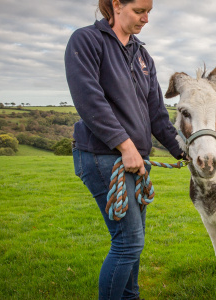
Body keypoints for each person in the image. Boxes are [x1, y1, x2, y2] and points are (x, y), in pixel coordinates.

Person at [64, 0, 184, 299]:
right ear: (117, 4)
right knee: (128, 242)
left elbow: (157, 113)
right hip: (102, 155)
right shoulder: (87, 40)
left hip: (134, 159)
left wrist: (183, 152)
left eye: (149, 12)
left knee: (134, 242)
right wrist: (125, 145)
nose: (146, 19)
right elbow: (89, 99)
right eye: (140, 11)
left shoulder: (142, 55)